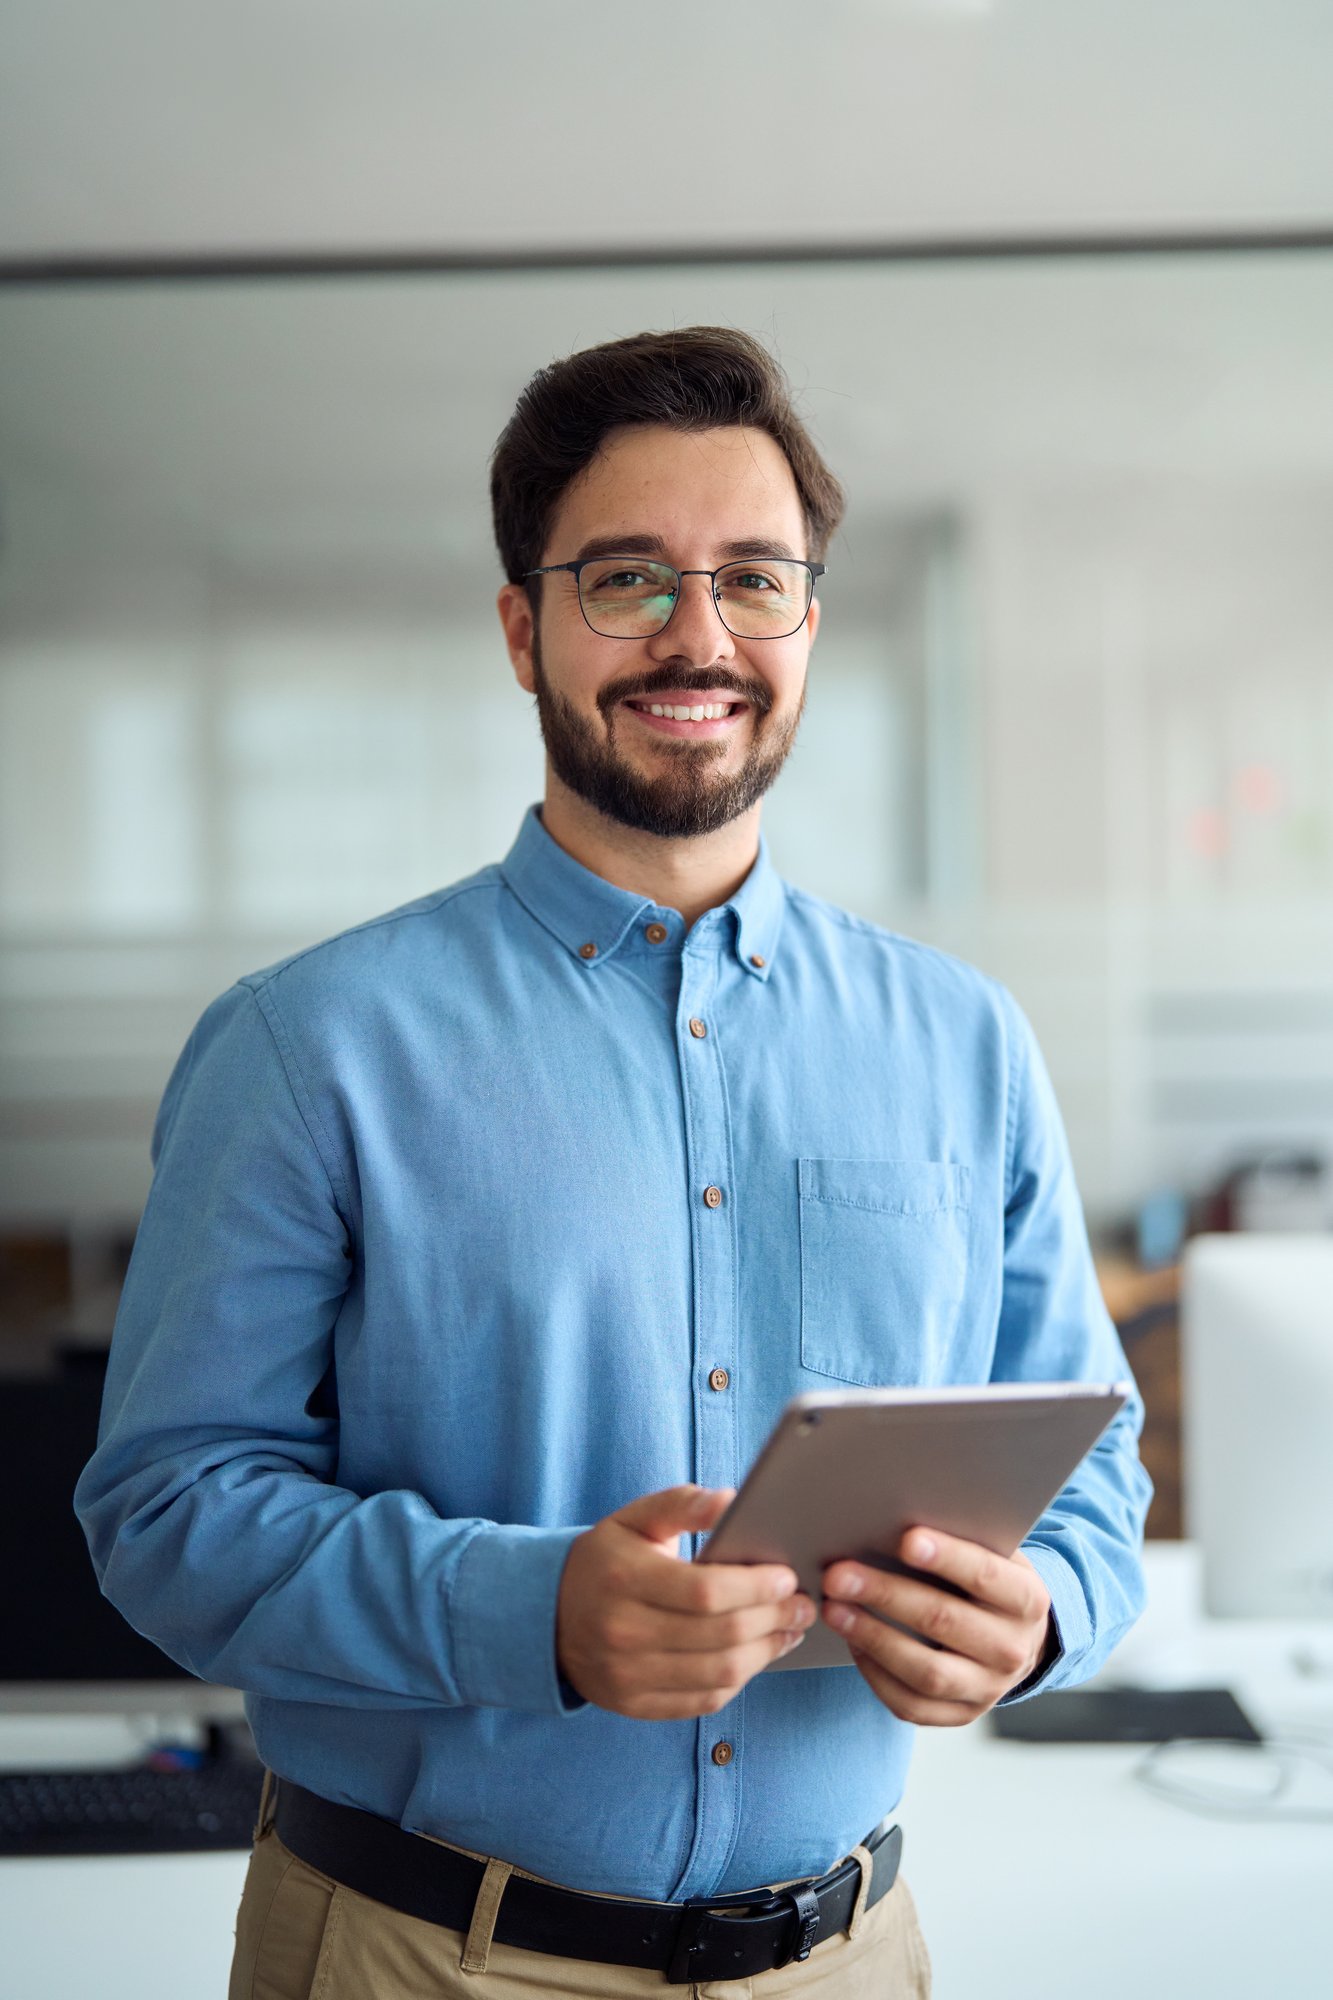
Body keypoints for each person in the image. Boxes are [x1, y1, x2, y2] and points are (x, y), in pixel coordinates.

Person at [76, 326, 1152, 1998]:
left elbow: (1090, 1463)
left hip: (851, 1957)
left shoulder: (967, 1044)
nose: (696, 636)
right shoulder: (308, 1045)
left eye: (751, 578)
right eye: (628, 579)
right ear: (524, 629)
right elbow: (164, 1512)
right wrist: (528, 1617)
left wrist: (1046, 1616)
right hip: (419, 1957)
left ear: (809, 621)